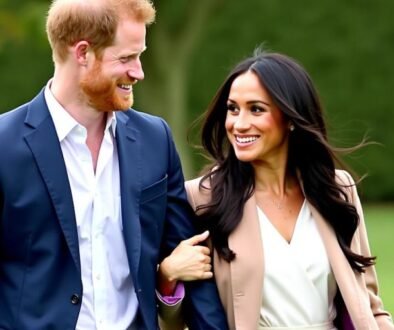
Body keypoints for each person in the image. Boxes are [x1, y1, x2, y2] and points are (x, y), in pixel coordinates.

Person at [0, 0, 228, 329]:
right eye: (126, 58)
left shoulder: (155, 139)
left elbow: (191, 255)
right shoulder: (5, 145)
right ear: (82, 53)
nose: (138, 72)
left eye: (140, 55)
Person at [158, 49, 394, 329]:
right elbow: (177, 321)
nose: (239, 124)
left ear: (291, 118)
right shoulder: (202, 198)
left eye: (256, 109)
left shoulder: (338, 190)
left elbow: (368, 305)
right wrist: (167, 275)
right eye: (233, 109)